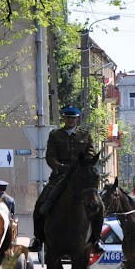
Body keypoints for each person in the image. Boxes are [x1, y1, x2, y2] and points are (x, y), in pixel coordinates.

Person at [28, 105, 104, 254]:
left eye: (73, 118)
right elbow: (50, 156)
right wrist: (59, 167)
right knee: (41, 203)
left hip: (81, 177)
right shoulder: (55, 135)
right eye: (68, 118)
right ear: (64, 118)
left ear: (77, 119)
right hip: (60, 176)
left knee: (99, 206)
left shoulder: (85, 135)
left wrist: (84, 166)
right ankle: (38, 238)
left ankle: (96, 239)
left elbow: (90, 153)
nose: (70, 120)